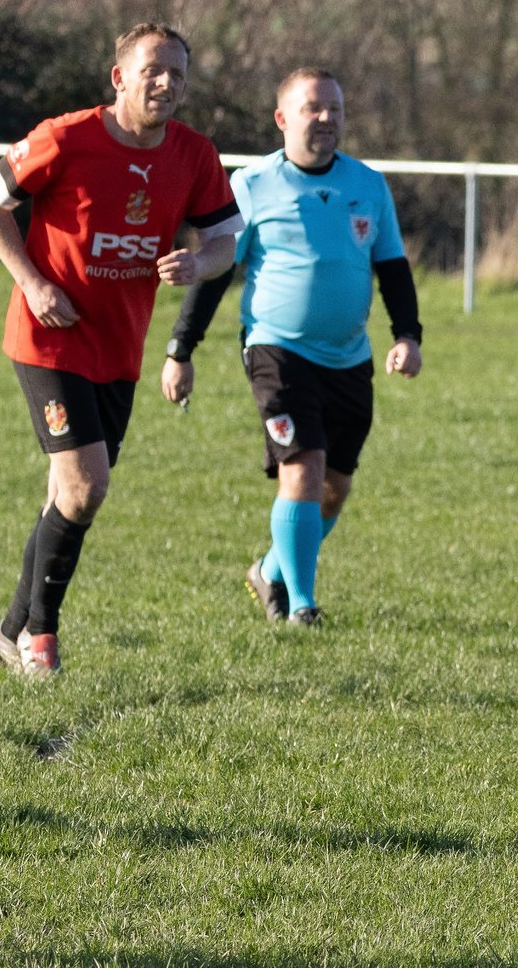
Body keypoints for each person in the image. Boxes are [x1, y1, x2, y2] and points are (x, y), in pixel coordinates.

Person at [0, 23, 241, 678]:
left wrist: (199, 263)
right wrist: (32, 282)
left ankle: (9, 630)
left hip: (118, 348)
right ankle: (41, 638)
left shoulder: (193, 154)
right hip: (48, 337)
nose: (166, 83)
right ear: (120, 77)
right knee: (87, 488)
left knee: (67, 496)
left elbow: (227, 240)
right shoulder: (67, 137)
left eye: (177, 72)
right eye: (152, 69)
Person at [162, 69, 422, 627]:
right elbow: (215, 268)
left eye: (335, 108)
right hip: (276, 352)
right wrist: (181, 349)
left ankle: (272, 570)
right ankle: (301, 606)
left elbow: (393, 266)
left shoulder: (369, 185)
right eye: (312, 108)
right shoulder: (252, 184)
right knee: (302, 470)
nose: (326, 118)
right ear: (282, 119)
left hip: (349, 356)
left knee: (335, 487)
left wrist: (408, 336)